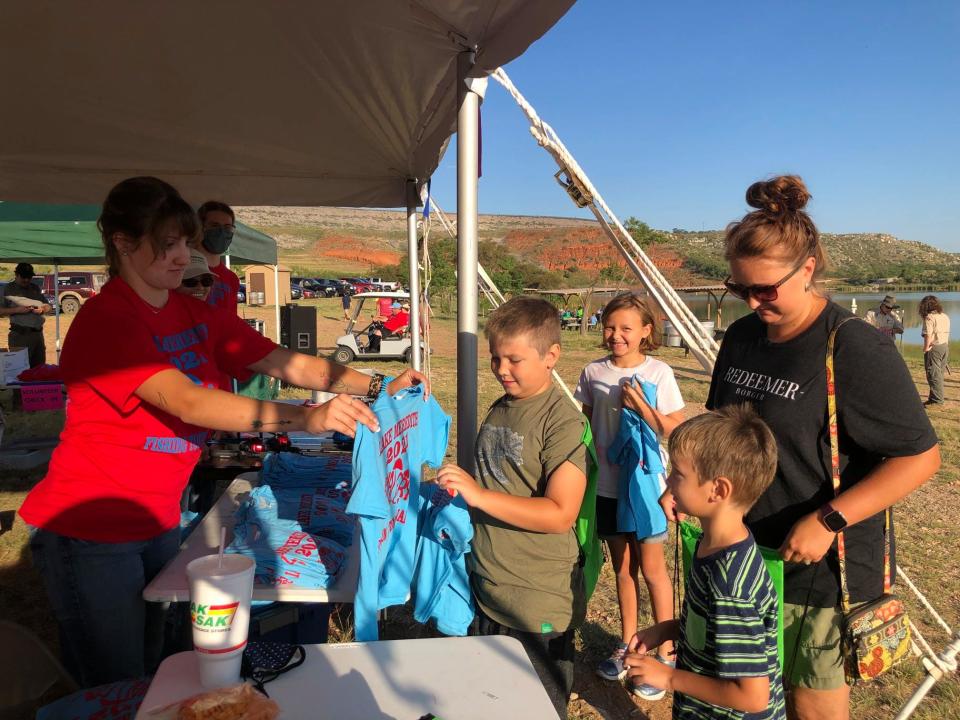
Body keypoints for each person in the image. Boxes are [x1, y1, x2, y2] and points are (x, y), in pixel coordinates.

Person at [18, 176, 427, 688]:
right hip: (91, 528)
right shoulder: (107, 321)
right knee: (117, 680)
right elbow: (190, 402)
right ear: (122, 242)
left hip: (157, 516)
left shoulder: (191, 311)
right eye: (168, 244)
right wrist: (305, 418)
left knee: (163, 659)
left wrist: (379, 384)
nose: (182, 255)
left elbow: (282, 361)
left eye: (186, 243)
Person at [678, 175, 940, 720]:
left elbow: (921, 458)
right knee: (744, 700)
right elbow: (724, 431)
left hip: (818, 564)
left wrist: (828, 520)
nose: (752, 301)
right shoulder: (743, 336)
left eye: (766, 289)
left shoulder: (852, 346)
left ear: (809, 269)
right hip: (742, 558)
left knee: (808, 705)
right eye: (740, 289)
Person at [437, 297, 588, 719]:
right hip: (489, 588)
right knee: (488, 701)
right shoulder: (502, 407)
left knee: (535, 706)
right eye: (495, 358)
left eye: (514, 359)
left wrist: (478, 496)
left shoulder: (563, 422)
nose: (502, 369)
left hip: (535, 599)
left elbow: (561, 512)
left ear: (551, 356)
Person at [625, 405, 785, 719]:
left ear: (718, 490)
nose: (668, 480)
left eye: (678, 474)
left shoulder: (730, 585)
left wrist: (669, 677)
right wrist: (668, 629)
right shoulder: (715, 543)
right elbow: (710, 626)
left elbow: (753, 697)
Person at [574, 292, 685, 699]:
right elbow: (585, 426)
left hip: (645, 490)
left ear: (645, 332)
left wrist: (642, 407)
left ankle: (667, 650)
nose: (616, 335)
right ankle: (628, 644)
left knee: (653, 568)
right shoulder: (592, 372)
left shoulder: (659, 372)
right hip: (606, 486)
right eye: (609, 326)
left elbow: (675, 429)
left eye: (626, 328)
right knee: (623, 569)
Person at [0, 262, 52, 367]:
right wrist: (16, 310)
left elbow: (49, 307)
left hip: (38, 335)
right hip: (20, 336)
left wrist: (42, 309)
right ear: (16, 275)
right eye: (24, 277)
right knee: (20, 370)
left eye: (29, 277)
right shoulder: (7, 289)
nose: (27, 280)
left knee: (39, 369)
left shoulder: (35, 288)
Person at [196, 200, 240, 314]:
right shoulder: (181, 271)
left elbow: (231, 322)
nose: (221, 232)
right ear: (200, 228)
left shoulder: (232, 279)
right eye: (214, 226)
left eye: (227, 228)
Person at [919, 294, 950, 406]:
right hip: (944, 346)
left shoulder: (929, 317)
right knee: (939, 373)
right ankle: (933, 398)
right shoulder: (944, 316)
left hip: (934, 347)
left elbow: (928, 334)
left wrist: (926, 348)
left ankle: (937, 400)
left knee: (933, 374)